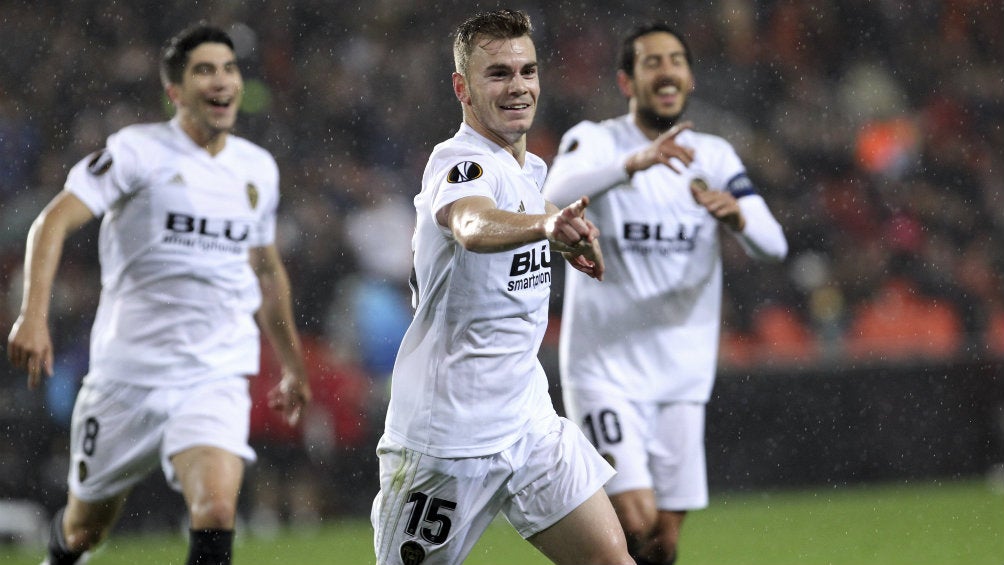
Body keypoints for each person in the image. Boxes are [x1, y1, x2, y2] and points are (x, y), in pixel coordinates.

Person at [6, 22, 311, 565]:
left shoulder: (256, 169)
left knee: (216, 508)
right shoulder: (137, 152)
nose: (221, 81)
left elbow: (266, 271)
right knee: (84, 529)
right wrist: (33, 315)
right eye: (204, 71)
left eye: (229, 69)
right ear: (175, 91)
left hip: (214, 372)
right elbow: (51, 222)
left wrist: (292, 365)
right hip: (128, 378)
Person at [370, 9, 633, 565]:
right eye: (498, 74)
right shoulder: (460, 164)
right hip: (446, 438)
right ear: (461, 88)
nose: (518, 86)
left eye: (527, 71)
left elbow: (524, 209)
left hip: (527, 419)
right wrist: (545, 226)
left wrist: (567, 234)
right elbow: (471, 224)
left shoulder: (527, 170)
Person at [542, 23, 789, 565]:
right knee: (635, 519)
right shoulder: (596, 140)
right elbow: (552, 194)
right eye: (652, 62)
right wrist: (632, 164)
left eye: (676, 60)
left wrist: (739, 217)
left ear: (690, 78)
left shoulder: (714, 156)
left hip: (682, 373)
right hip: (605, 369)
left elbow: (774, 245)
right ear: (626, 82)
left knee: (662, 543)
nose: (667, 71)